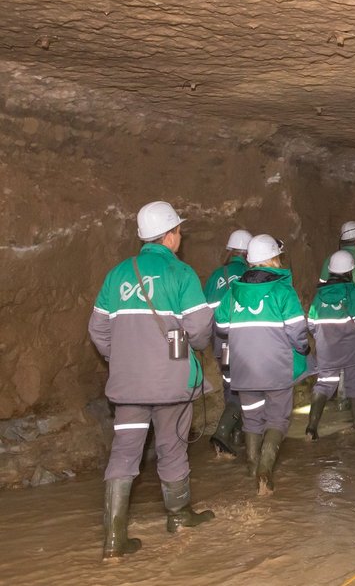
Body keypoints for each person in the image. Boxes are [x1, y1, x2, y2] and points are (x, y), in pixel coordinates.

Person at [87, 201, 216, 560]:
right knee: (172, 446)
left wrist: (125, 358)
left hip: (128, 384)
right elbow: (200, 327)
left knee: (125, 452)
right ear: (171, 235)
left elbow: (98, 329)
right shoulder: (181, 274)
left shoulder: (116, 275)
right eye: (179, 231)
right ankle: (179, 517)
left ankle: (114, 539)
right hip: (172, 381)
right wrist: (189, 349)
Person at [214, 234, 311, 496]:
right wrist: (303, 349)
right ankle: (265, 471)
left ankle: (252, 465)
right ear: (273, 258)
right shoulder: (282, 290)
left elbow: (221, 327)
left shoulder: (233, 291)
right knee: (277, 419)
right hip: (276, 369)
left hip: (243, 370)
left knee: (252, 419)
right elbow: (297, 331)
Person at [306, 250, 355, 439]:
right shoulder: (353, 292)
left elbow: (311, 322)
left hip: (327, 349)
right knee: (354, 383)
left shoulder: (320, 294)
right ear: (351, 270)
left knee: (324, 384)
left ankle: (311, 428)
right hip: (351, 348)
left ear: (331, 271)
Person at [204, 229, 252, 458]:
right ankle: (223, 434)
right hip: (242, 343)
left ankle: (236, 436)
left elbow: (204, 313)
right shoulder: (250, 276)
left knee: (229, 384)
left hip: (220, 343)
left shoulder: (216, 276)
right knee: (245, 389)